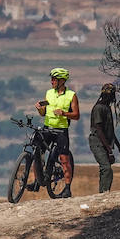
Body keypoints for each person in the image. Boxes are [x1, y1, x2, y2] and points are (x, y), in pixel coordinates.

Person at [36, 67, 78, 195]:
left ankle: (67, 188)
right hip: (47, 128)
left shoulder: (71, 95)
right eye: (51, 79)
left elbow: (76, 115)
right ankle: (38, 181)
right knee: (37, 153)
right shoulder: (49, 93)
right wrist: (39, 109)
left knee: (64, 159)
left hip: (61, 131)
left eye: (54, 79)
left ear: (62, 80)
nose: (51, 81)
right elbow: (43, 114)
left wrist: (64, 113)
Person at [88, 82, 120, 193]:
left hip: (105, 142)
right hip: (97, 141)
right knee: (106, 168)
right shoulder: (99, 108)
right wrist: (109, 150)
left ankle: (103, 192)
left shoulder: (106, 108)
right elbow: (99, 130)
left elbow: (110, 131)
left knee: (104, 169)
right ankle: (104, 193)